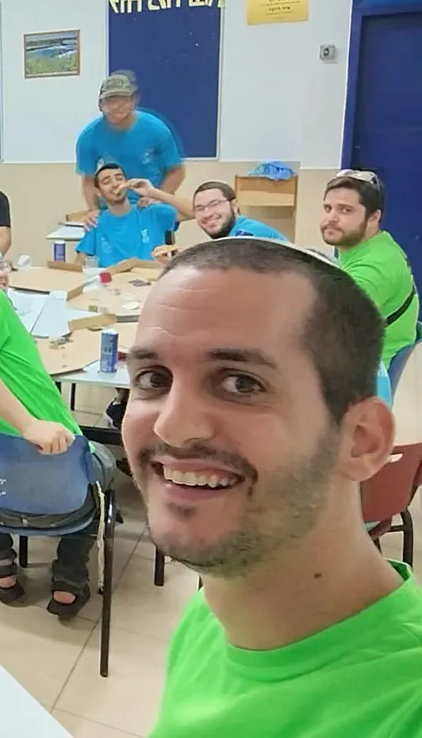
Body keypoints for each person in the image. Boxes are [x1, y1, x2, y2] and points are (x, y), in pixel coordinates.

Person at [122, 238, 422, 737]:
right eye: (153, 378)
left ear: (361, 440)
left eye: (241, 383)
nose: (171, 426)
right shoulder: (213, 608)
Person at [0, 240, 115, 617]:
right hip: (62, 498)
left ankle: (0, 566)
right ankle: (69, 580)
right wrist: (29, 424)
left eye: (0, 265)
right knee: (100, 462)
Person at [321, 170, 418, 366]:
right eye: (328, 208)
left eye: (345, 210)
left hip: (369, 374)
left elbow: (325, 327)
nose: (331, 218)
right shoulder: (374, 243)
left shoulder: (375, 266)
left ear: (374, 218)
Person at [76, 71, 184, 227]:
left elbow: (176, 171)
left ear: (134, 101)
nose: (117, 105)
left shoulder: (156, 129)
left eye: (124, 99)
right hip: (112, 210)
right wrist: (93, 210)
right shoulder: (89, 137)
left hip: (149, 206)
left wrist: (158, 197)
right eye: (111, 100)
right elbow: (88, 180)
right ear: (100, 105)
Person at [75, 164, 181, 267]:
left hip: (150, 276)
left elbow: (190, 211)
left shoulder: (149, 211)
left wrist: (154, 193)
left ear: (127, 183)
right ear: (98, 192)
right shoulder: (95, 222)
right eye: (107, 182)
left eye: (119, 179)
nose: (115, 184)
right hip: (111, 277)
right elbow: (79, 262)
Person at [132, 179, 286, 250]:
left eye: (214, 204)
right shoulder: (230, 234)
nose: (207, 213)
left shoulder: (246, 235)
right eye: (200, 208)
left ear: (234, 206)